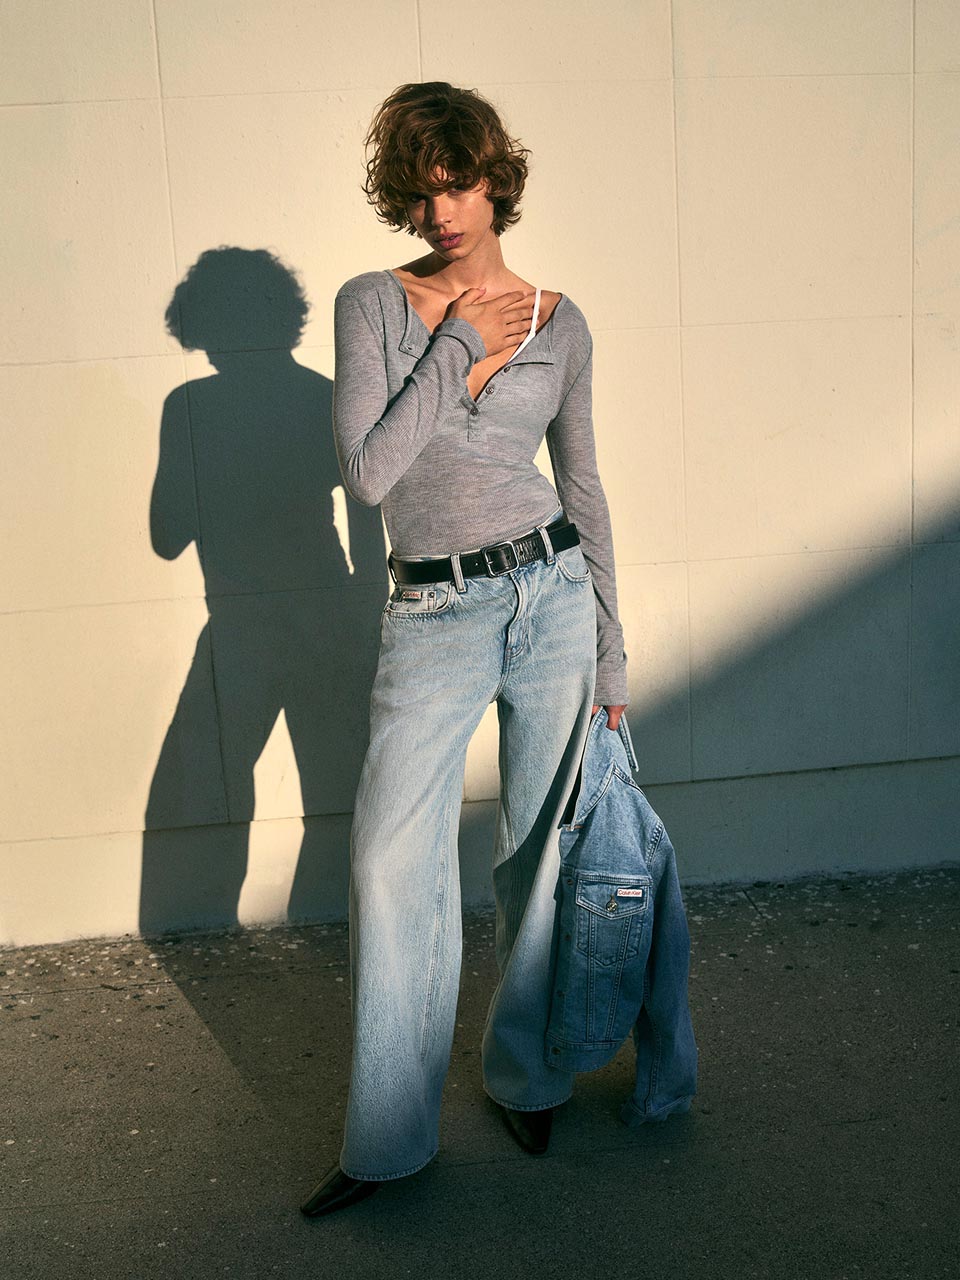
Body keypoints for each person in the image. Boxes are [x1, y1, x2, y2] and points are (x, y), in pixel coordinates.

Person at [301, 81, 628, 1218]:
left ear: (498, 178)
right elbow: (370, 474)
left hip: (552, 600)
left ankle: (527, 1075)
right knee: (395, 868)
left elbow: (583, 488)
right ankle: (387, 1140)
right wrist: (451, 344)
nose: (443, 209)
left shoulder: (564, 320)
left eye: (462, 181)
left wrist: (615, 658)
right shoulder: (371, 305)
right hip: (432, 614)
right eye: (424, 187)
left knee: (539, 856)